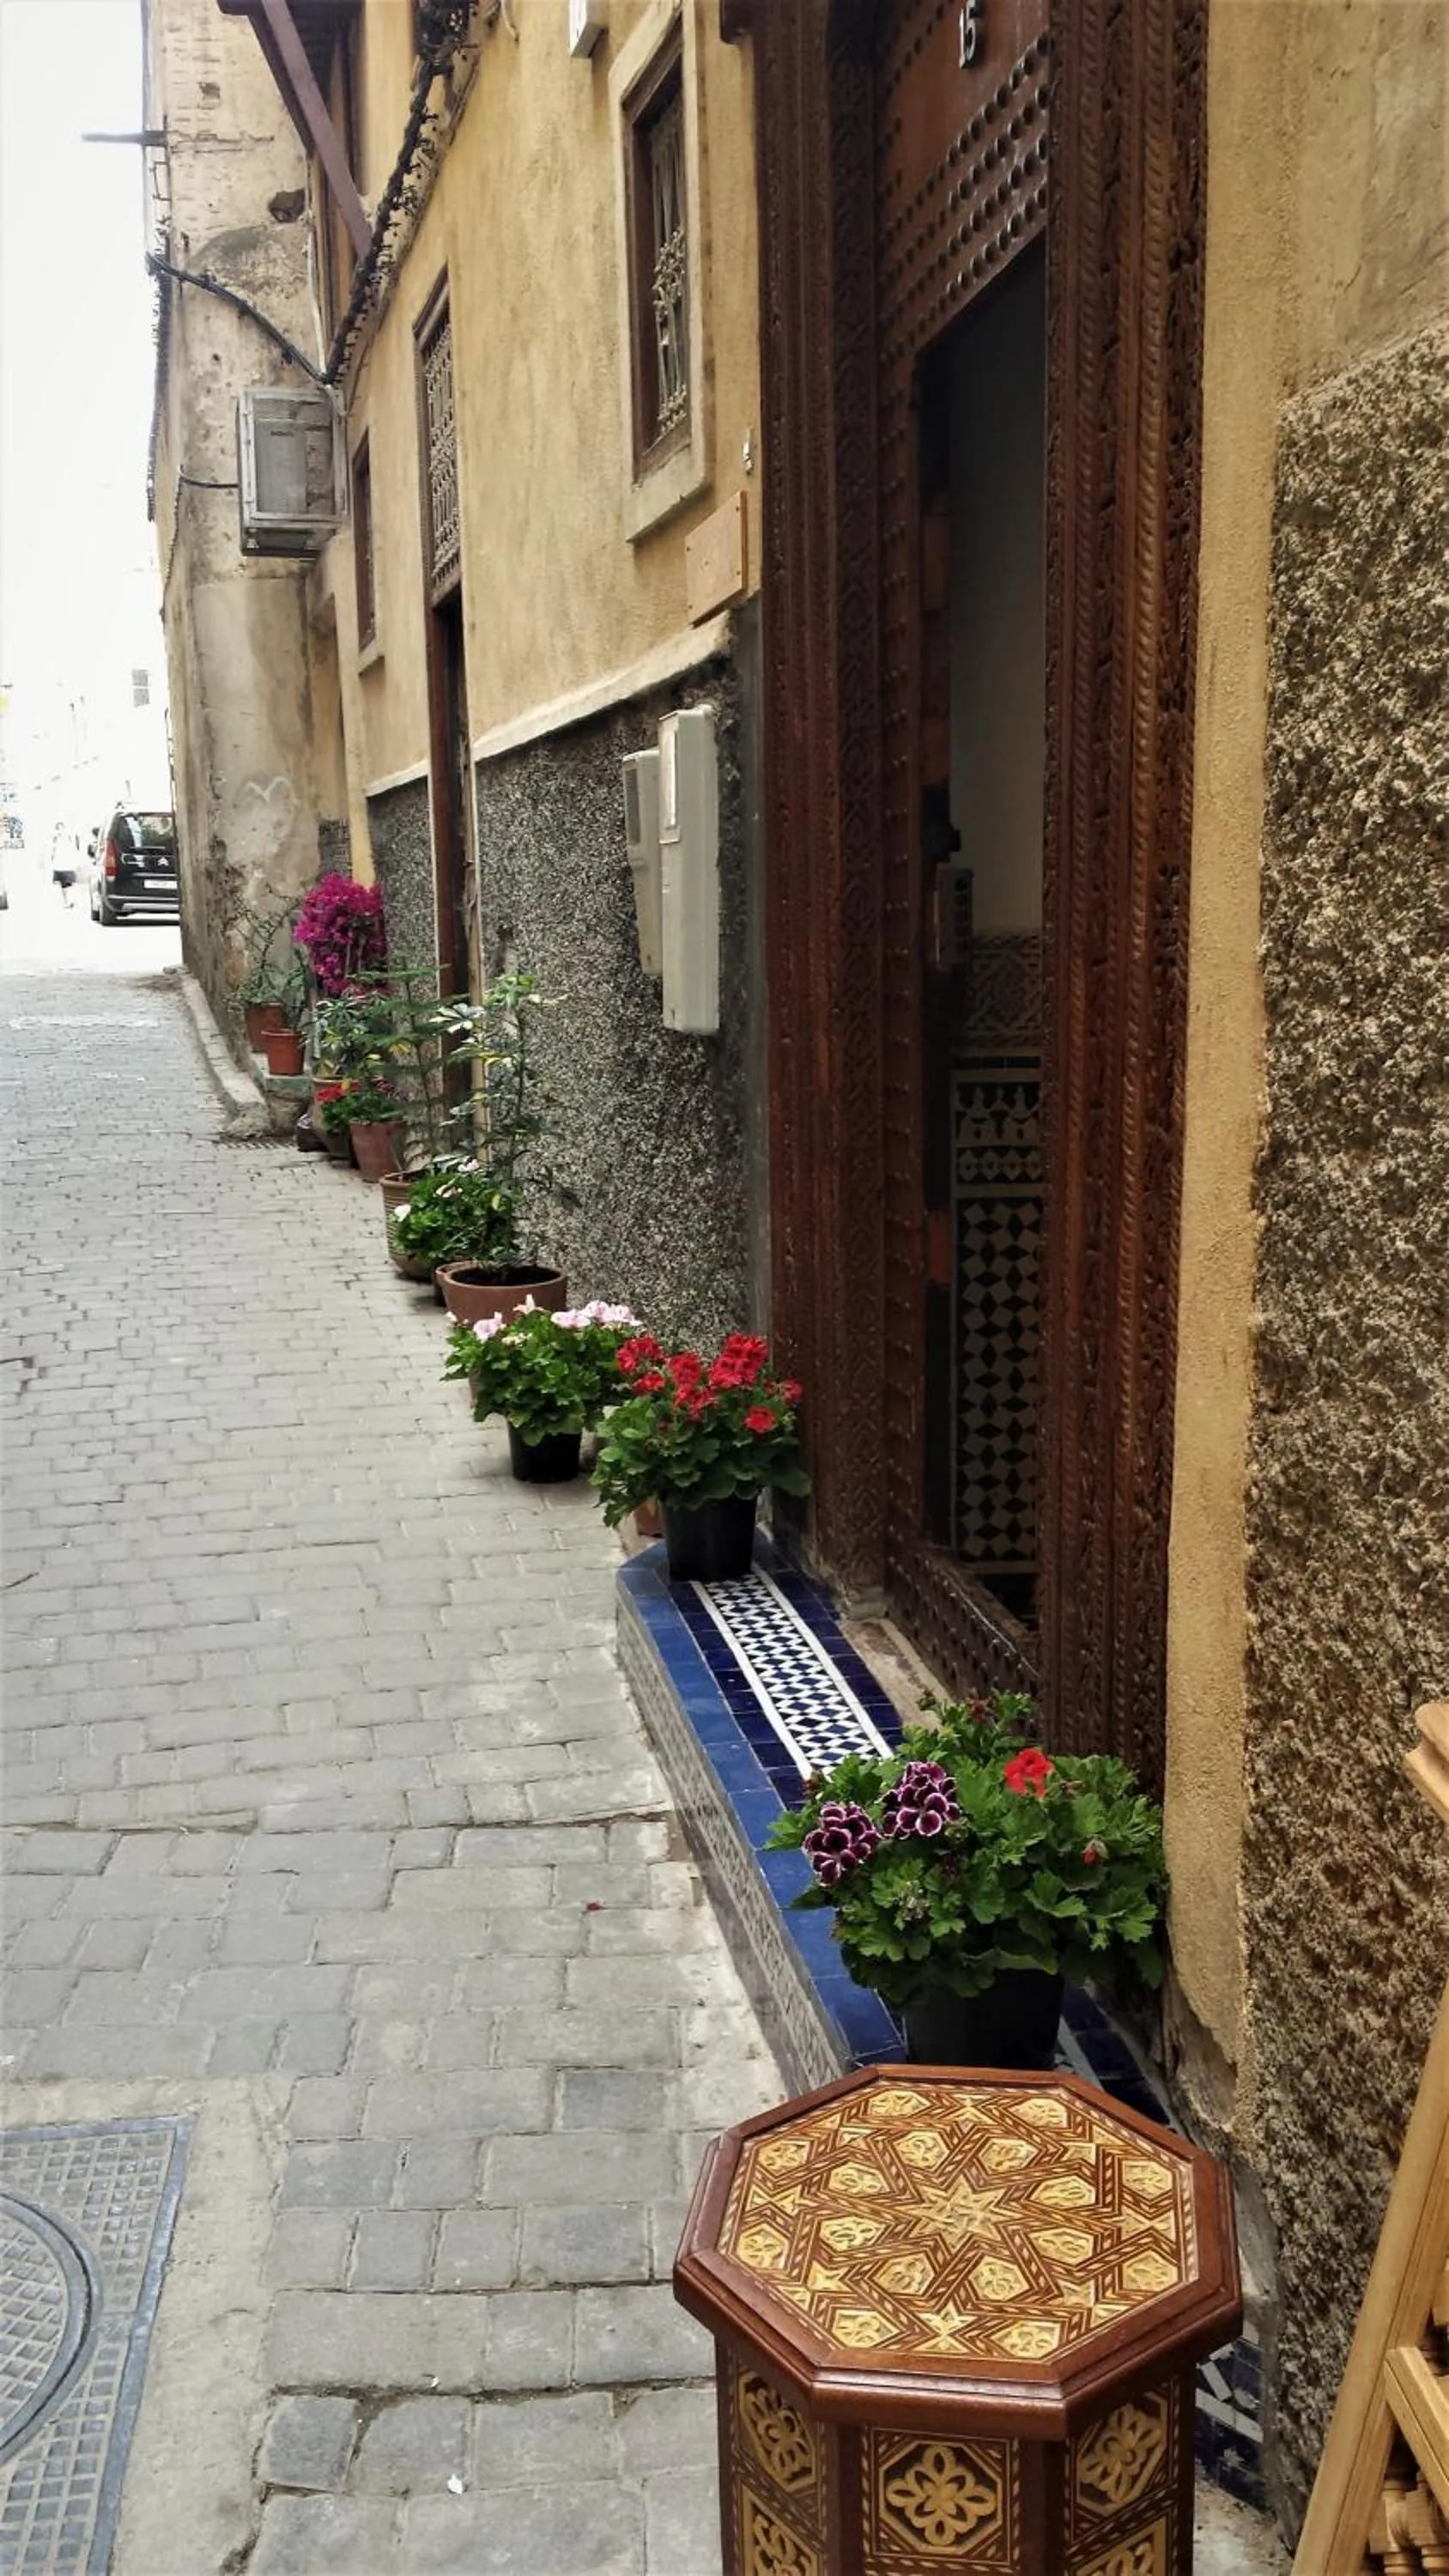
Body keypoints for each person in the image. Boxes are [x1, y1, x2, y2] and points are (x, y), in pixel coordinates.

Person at [50, 821, 78, 905]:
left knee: (71, 883)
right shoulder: (55, 839)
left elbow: (73, 850)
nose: (59, 831)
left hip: (68, 864)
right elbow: (52, 852)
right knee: (64, 885)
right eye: (57, 829)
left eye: (61, 828)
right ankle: (67, 902)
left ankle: (72, 900)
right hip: (59, 865)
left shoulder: (68, 838)